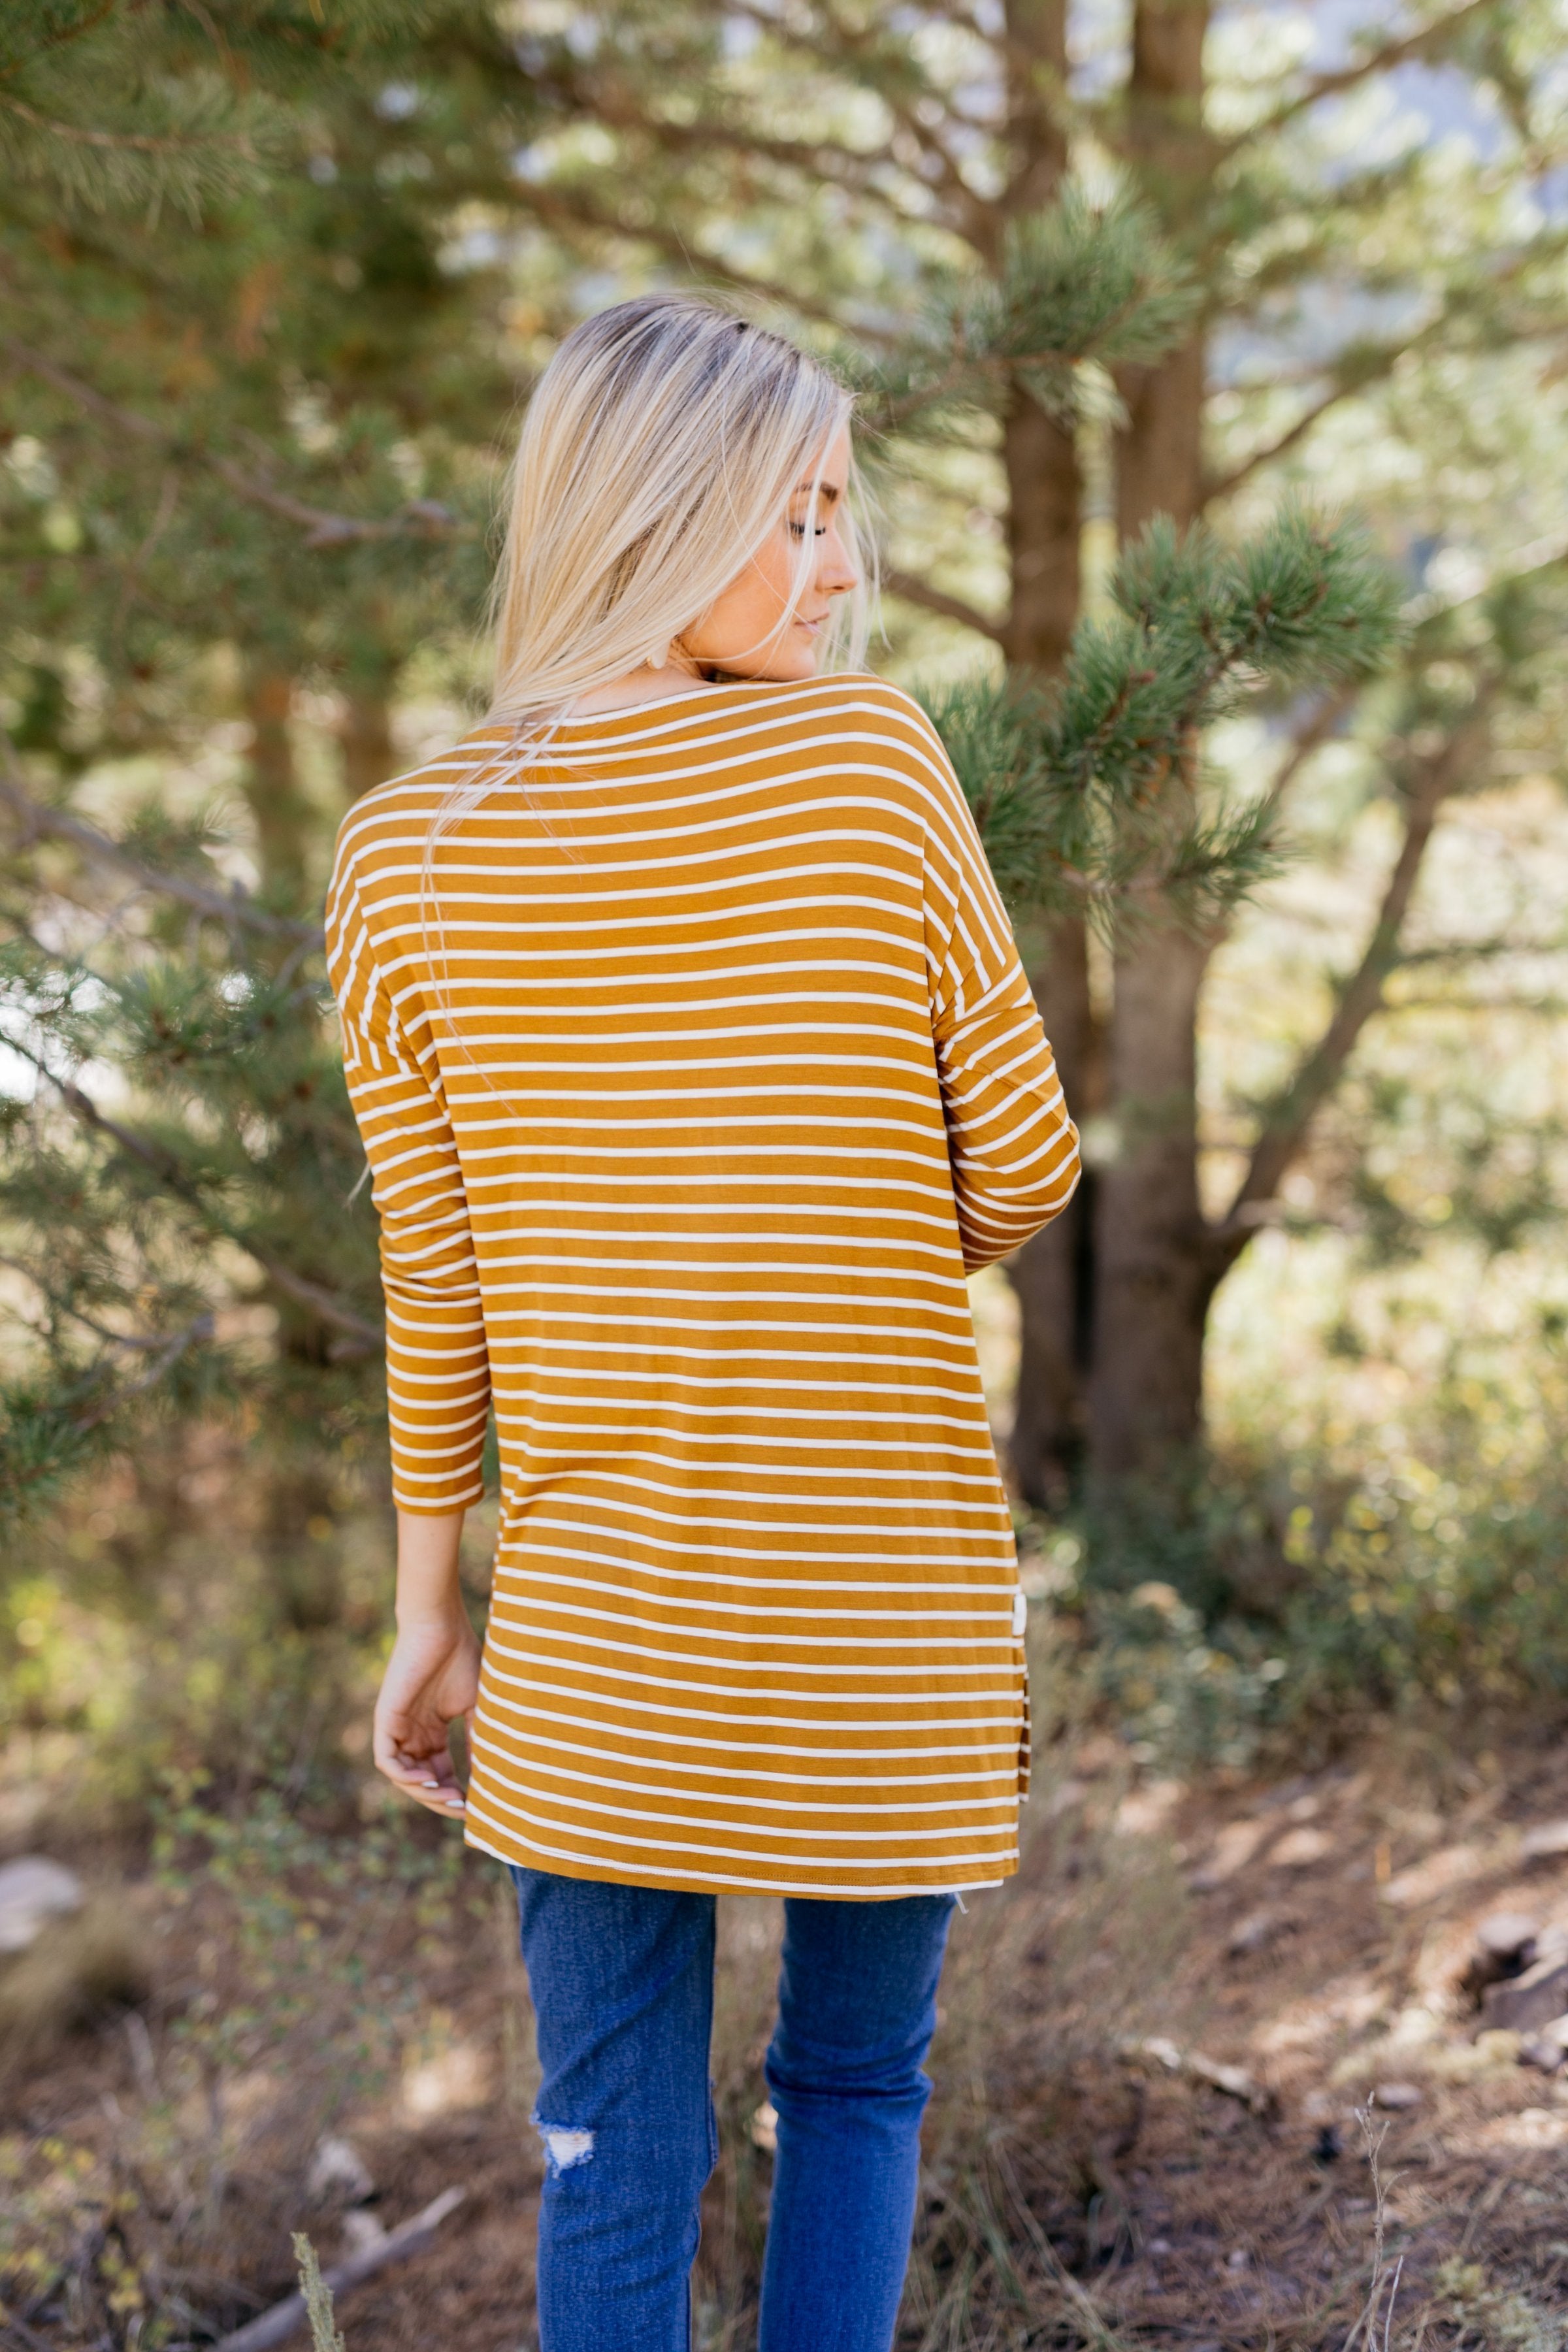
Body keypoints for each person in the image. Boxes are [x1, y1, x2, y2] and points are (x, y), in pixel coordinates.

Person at [325, 293, 1080, 2352]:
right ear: (657, 516)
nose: (841, 575)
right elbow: (1023, 1172)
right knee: (851, 2091)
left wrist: (426, 1614)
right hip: (879, 1592)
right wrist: (816, 1239)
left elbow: (443, 1286)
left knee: (606, 2144)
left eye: (845, 516)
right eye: (799, 516)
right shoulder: (871, 766)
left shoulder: (408, 853)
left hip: (599, 1633)